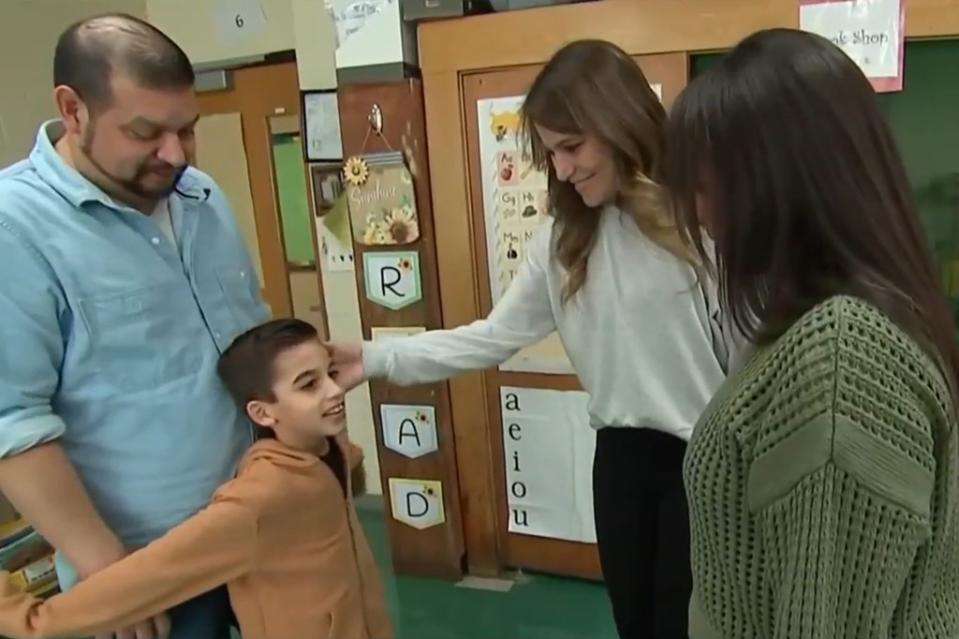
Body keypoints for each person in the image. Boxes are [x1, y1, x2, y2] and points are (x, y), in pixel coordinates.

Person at [328, 39, 735, 639]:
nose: (563, 169)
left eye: (572, 147)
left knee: (691, 625)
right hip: (621, 462)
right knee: (635, 623)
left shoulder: (701, 225)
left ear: (619, 125)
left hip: (705, 462)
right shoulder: (561, 240)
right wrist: (374, 356)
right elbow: (492, 337)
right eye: (552, 153)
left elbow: (751, 350)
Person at [667, 28, 959, 639]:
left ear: (777, 183)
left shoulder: (842, 355)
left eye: (703, 184)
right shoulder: (844, 318)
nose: (699, 213)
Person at [0, 14, 268, 639]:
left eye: (187, 130)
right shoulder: (15, 228)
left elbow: (247, 341)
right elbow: (13, 421)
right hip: (150, 569)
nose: (174, 155)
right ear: (73, 109)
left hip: (260, 530)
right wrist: (108, 571)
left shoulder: (199, 195)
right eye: (146, 132)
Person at [0, 319, 392, 639]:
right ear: (262, 412)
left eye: (331, 373)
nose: (334, 390)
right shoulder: (260, 497)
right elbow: (158, 570)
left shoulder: (330, 447)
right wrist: (31, 619)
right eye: (309, 384)